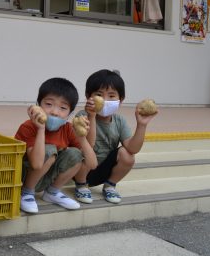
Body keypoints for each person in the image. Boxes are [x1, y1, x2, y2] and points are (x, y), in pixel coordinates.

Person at [73, 69, 157, 204]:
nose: (105, 100)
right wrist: (92, 116)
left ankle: (110, 186)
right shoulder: (83, 116)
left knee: (127, 155)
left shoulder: (119, 121)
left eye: (111, 96)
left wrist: (141, 125)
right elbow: (89, 145)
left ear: (120, 100)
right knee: (83, 153)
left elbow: (133, 148)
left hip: (103, 170)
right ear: (88, 97)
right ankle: (81, 186)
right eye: (99, 95)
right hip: (80, 170)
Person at [15, 77, 97, 214]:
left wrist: (82, 138)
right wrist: (41, 129)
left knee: (76, 154)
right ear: (38, 105)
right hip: (22, 177)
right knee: (50, 150)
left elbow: (92, 164)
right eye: (48, 104)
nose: (54, 112)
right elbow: (36, 164)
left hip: (46, 177)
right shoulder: (28, 127)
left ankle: (52, 192)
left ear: (69, 113)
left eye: (63, 108)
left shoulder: (68, 129)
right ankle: (26, 192)